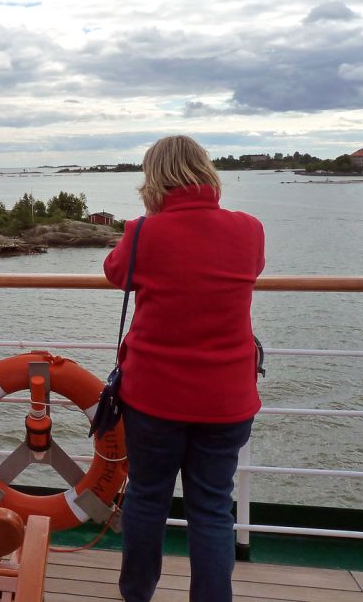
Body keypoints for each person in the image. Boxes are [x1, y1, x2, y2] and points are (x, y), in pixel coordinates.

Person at [103, 135, 265, 602]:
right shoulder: (250, 228)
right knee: (213, 508)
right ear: (207, 172)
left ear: (155, 179)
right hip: (228, 399)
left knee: (147, 498)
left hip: (155, 399)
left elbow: (116, 273)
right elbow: (252, 269)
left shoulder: (143, 232)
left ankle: (136, 594)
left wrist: (148, 225)